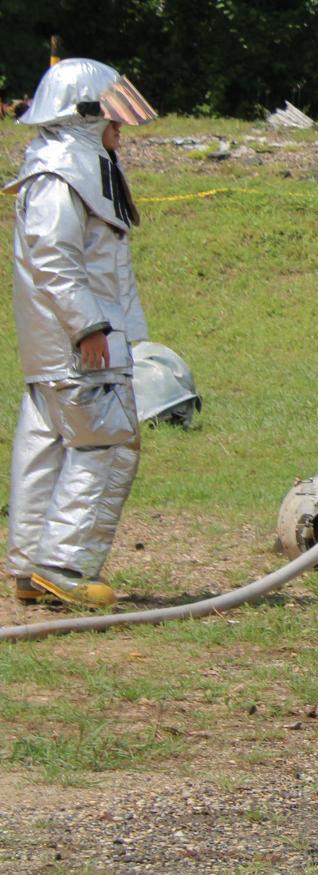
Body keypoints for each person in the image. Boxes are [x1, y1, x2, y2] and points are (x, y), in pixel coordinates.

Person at [6, 59, 158, 608]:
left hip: (57, 345)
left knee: (46, 445)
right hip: (78, 344)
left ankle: (30, 567)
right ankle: (63, 565)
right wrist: (88, 326)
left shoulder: (62, 166)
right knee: (109, 443)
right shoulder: (65, 171)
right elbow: (55, 257)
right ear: (86, 115)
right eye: (114, 118)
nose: (121, 130)